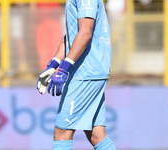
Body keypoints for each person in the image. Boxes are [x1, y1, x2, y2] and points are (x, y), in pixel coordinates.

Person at [37, 0, 116, 150]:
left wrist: (64, 69)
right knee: (96, 134)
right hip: (90, 70)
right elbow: (73, 36)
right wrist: (54, 65)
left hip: (85, 72)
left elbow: (86, 32)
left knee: (62, 133)